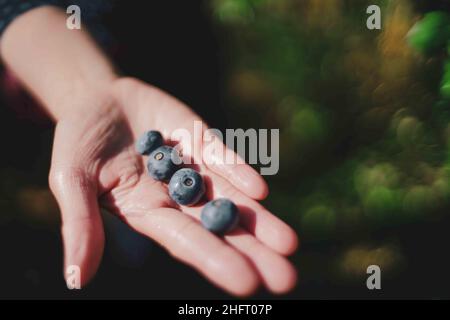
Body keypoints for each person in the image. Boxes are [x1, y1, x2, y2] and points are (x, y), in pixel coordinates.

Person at [0, 1, 298, 296]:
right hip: (95, 82)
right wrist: (87, 92)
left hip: (184, 63)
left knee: (212, 145)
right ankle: (151, 274)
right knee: (144, 234)